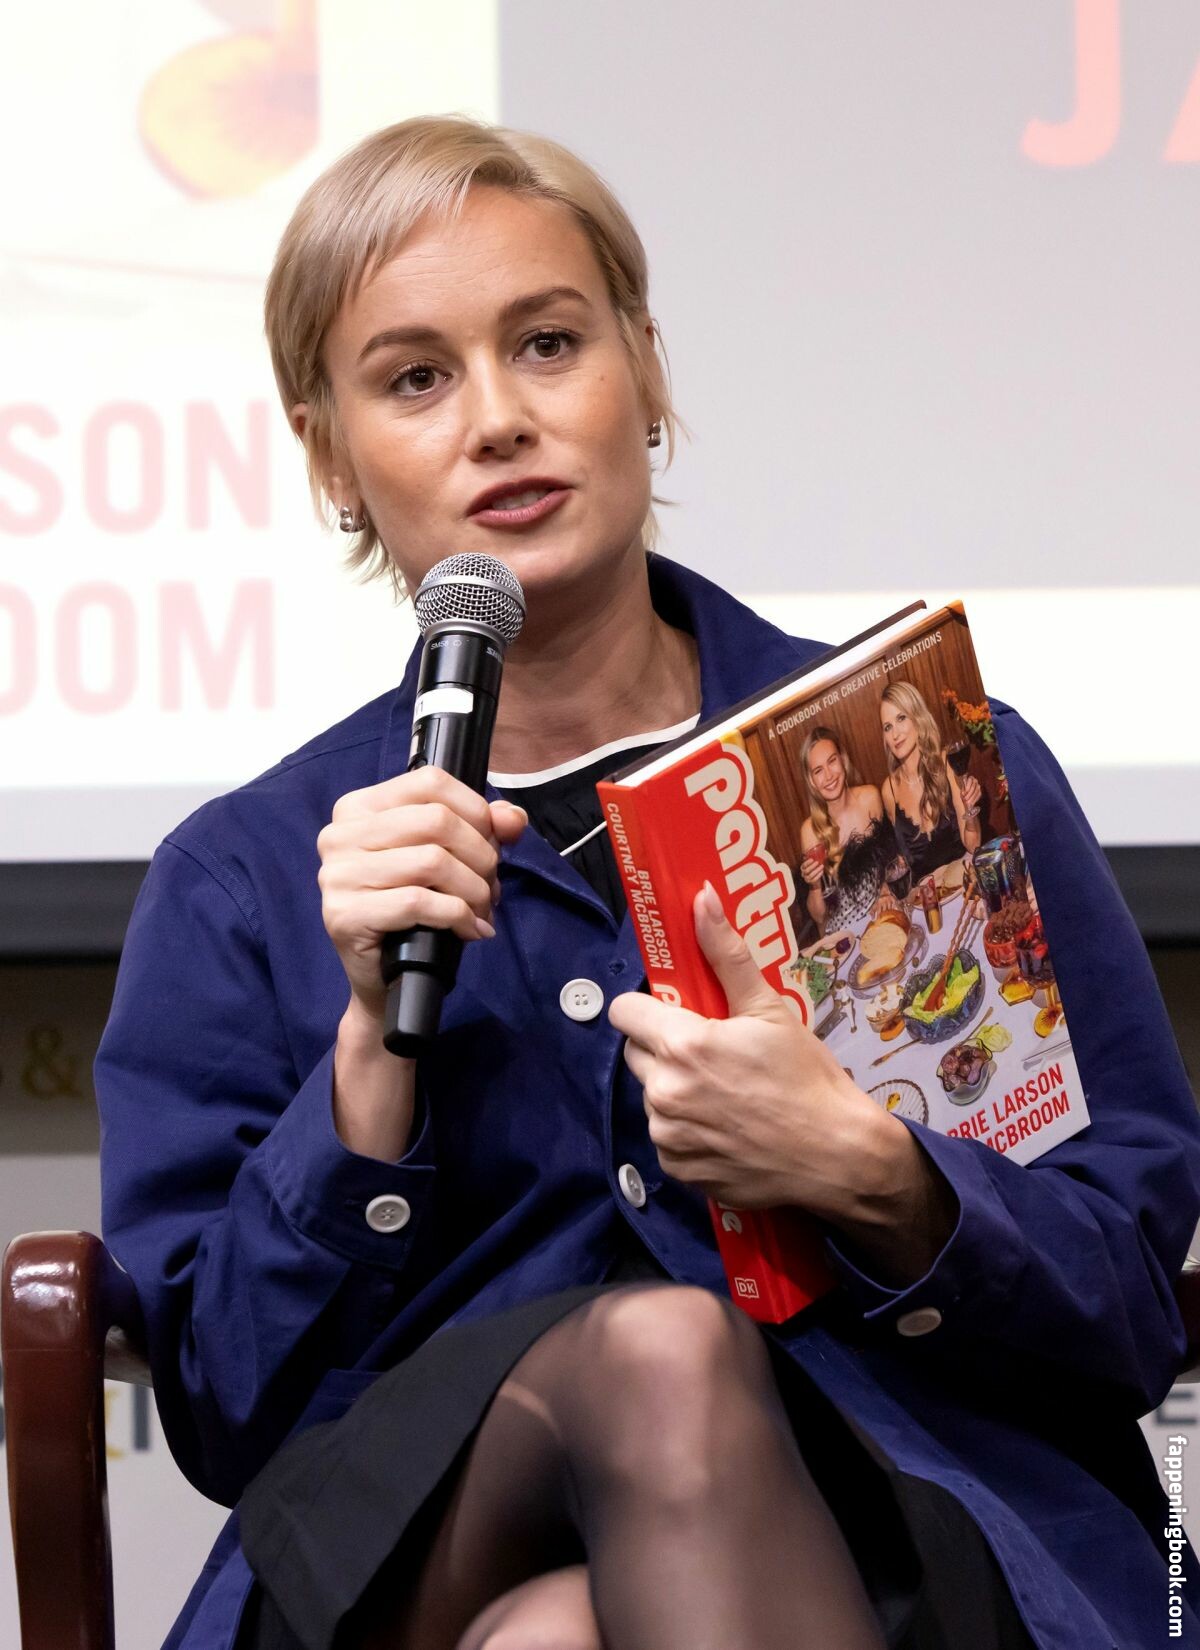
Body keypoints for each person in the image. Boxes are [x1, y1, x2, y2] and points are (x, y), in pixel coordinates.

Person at [92, 115, 1200, 1650]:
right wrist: (365, 1066)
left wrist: (872, 1170)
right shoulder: (249, 874)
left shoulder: (931, 759)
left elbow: (1129, 1302)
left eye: (547, 344)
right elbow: (222, 1409)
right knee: (662, 1355)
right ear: (332, 455)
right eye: (414, 379)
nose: (498, 420)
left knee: (561, 1635)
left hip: (904, 1523)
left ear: (647, 373)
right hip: (406, 1560)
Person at [879, 680, 983, 885]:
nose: (895, 734)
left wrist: (970, 807)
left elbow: (973, 845)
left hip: (966, 886)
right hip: (927, 898)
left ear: (917, 717)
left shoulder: (946, 763)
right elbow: (903, 864)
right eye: (887, 727)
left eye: (901, 718)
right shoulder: (888, 790)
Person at [796, 724, 892, 933]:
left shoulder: (870, 798)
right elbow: (820, 918)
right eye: (818, 771)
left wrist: (885, 891)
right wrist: (814, 885)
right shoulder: (810, 831)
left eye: (832, 761)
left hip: (880, 919)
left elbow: (889, 864)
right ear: (811, 781)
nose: (829, 776)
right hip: (842, 938)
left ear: (843, 759)